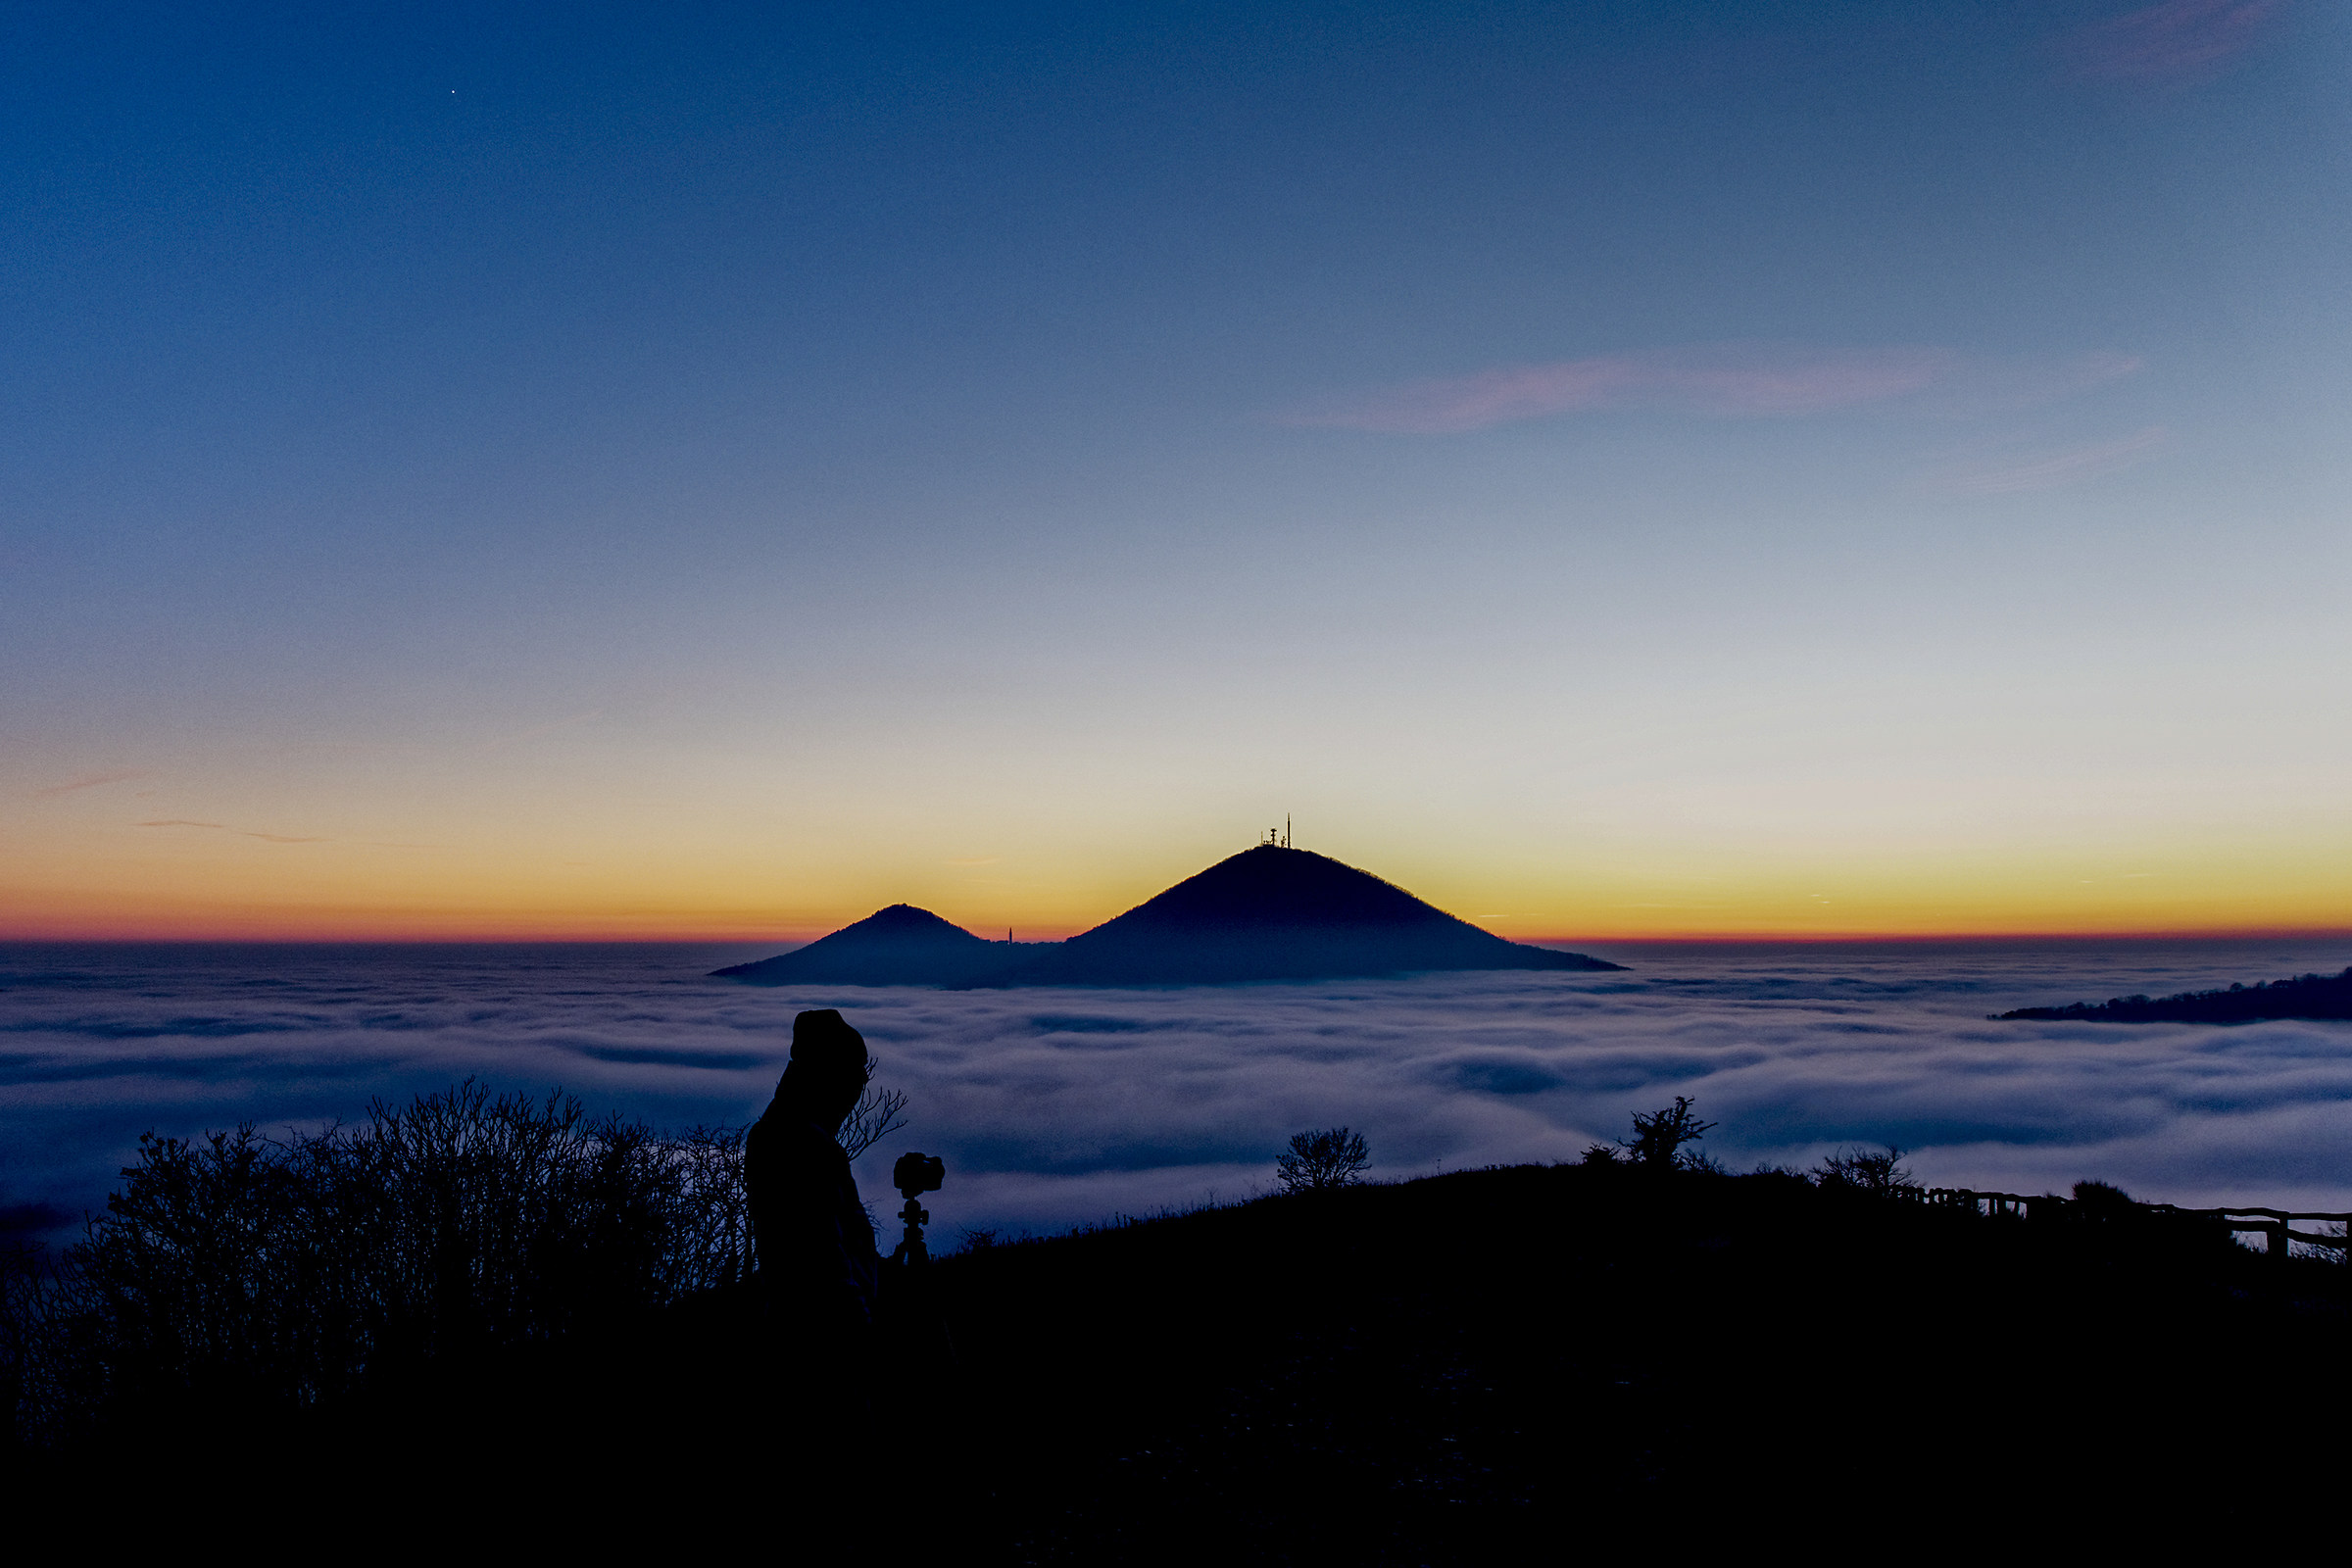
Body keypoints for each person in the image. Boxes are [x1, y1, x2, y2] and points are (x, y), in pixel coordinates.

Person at [745, 1008, 880, 1350]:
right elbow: (820, 1260)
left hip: (801, 1333)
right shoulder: (801, 1144)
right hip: (822, 1344)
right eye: (854, 1076)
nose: (858, 1089)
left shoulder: (783, 1131)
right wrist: (860, 1330)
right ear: (828, 1074)